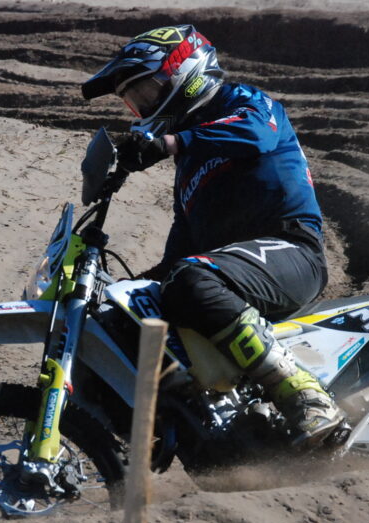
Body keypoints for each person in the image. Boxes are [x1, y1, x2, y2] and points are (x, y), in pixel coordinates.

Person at [82, 24, 345, 446]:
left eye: (146, 91)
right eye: (134, 101)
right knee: (135, 307)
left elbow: (256, 133)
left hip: (292, 250)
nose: (142, 106)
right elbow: (178, 255)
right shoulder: (189, 169)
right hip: (228, 271)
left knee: (191, 279)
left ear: (184, 71)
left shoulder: (245, 101)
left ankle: (306, 394)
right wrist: (125, 291)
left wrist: (170, 143)